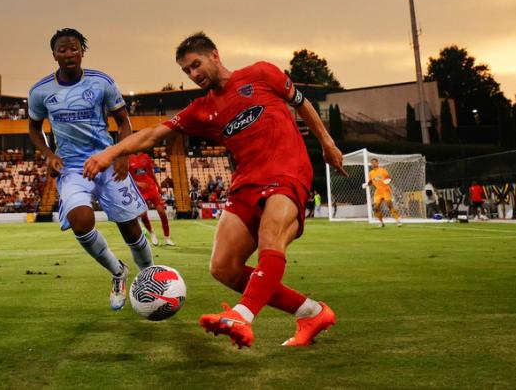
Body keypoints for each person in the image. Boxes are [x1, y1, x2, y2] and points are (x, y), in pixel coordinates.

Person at [83, 32, 345, 347]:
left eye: (196, 65)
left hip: (288, 172)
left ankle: (242, 316)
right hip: (246, 183)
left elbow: (302, 104)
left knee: (270, 237)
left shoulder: (261, 73)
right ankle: (312, 312)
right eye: (186, 72)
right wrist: (109, 154)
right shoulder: (202, 110)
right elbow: (153, 135)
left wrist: (327, 143)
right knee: (223, 267)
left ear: (215, 56)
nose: (194, 75)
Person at [28, 28, 153, 312]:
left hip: (107, 161)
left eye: (74, 48)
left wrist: (122, 155)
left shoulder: (102, 82)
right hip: (71, 167)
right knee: (81, 223)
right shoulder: (40, 91)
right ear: (54, 55)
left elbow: (123, 121)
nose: (68, 54)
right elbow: (34, 128)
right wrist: (48, 155)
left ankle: (150, 277)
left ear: (82, 51)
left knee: (130, 228)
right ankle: (118, 272)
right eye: (62, 50)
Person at [128, 150, 174, 246]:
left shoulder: (146, 157)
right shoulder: (128, 158)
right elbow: (126, 176)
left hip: (151, 188)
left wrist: (159, 187)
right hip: (139, 191)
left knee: (162, 212)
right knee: (143, 215)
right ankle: (152, 233)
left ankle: (167, 238)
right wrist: (137, 183)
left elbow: (151, 173)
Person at [363, 157, 402, 227]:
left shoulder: (383, 170)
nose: (373, 164)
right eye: (372, 163)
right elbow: (371, 181)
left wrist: (387, 181)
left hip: (386, 190)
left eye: (375, 162)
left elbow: (389, 178)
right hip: (378, 192)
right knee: (376, 208)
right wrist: (366, 184)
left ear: (377, 163)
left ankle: (398, 220)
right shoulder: (371, 173)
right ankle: (381, 222)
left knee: (389, 205)